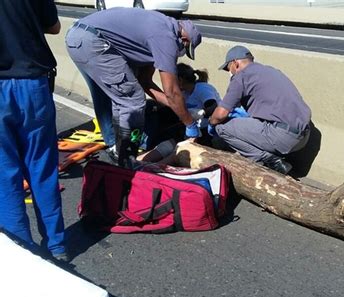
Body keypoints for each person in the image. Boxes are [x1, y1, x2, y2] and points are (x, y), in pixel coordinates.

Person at [65, 7, 202, 167]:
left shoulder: (161, 25)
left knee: (122, 100)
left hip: (80, 37)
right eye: (184, 50)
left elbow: (145, 81)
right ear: (184, 39)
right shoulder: (166, 38)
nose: (180, 54)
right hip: (92, 41)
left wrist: (178, 110)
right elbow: (171, 92)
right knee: (133, 102)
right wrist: (190, 123)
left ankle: (119, 150)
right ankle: (128, 159)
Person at [0, 0, 69, 261]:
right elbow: (54, 27)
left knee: (5, 175)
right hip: (33, 83)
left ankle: (22, 251)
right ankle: (57, 245)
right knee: (42, 167)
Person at [209, 45, 311, 175]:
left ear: (235, 64)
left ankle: (268, 160)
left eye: (228, 69)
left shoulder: (241, 77)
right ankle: (274, 156)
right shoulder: (271, 71)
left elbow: (220, 115)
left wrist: (211, 123)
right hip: (304, 136)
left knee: (222, 127)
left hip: (282, 137)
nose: (229, 73)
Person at [137, 63, 221, 162]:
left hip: (205, 130)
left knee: (175, 146)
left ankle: (151, 165)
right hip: (188, 128)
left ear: (180, 80)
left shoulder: (202, 88)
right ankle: (140, 159)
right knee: (151, 107)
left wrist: (201, 112)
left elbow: (213, 106)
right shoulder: (184, 93)